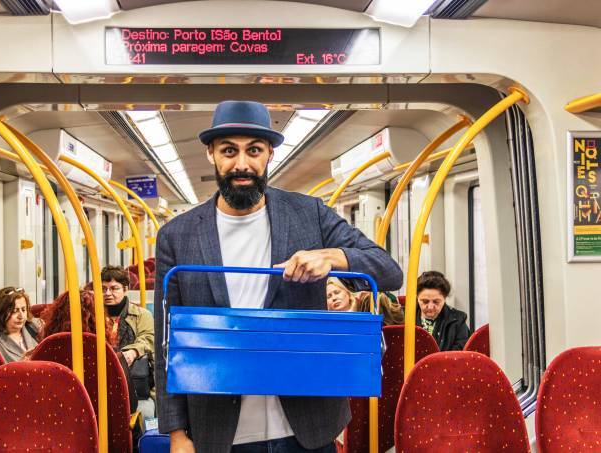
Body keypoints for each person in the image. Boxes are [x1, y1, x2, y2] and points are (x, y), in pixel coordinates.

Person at [155, 100, 403, 453]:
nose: (242, 164)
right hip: (219, 432)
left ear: (269, 154)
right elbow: (166, 342)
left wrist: (332, 257)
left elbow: (389, 270)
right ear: (211, 154)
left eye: (253, 150)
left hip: (306, 427)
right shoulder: (176, 236)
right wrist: (177, 433)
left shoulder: (310, 214)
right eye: (229, 151)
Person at [37, 289, 139, 413]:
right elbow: (130, 405)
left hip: (56, 426)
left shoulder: (44, 352)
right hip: (104, 429)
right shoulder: (108, 356)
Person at [101, 265, 156, 418]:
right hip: (101, 381)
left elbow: (148, 339)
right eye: (103, 289)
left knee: (144, 413)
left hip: (136, 384)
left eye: (114, 288)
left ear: (125, 289)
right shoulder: (92, 316)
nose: (108, 293)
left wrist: (133, 351)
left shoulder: (141, 315)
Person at [0, 287, 41, 363]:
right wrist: (18, 366)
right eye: (14, 311)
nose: (21, 316)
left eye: (24, 310)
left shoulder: (34, 326)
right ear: (0, 312)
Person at [415, 271, 471, 351]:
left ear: (444, 298)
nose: (430, 307)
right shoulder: (403, 318)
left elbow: (461, 354)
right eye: (425, 301)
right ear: (417, 298)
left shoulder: (457, 321)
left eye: (436, 302)